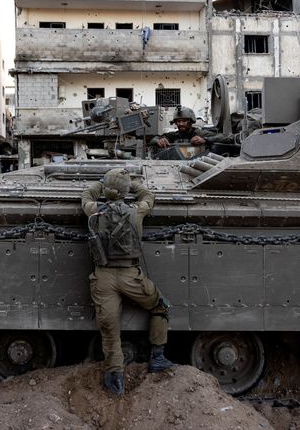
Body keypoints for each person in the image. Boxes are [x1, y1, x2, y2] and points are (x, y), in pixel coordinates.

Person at [82, 168, 174, 396]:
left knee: (110, 330)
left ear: (106, 190)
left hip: (103, 278)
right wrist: (132, 184)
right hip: (130, 276)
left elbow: (86, 196)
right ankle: (158, 357)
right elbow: (148, 197)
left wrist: (103, 183)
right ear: (124, 192)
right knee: (160, 306)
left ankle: (115, 376)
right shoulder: (136, 212)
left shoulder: (94, 212)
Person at [149, 106, 233, 149]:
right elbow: (152, 139)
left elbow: (227, 137)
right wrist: (158, 140)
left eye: (184, 121)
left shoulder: (199, 133)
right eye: (178, 121)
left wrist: (205, 140)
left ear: (191, 121)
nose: (181, 124)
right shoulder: (172, 135)